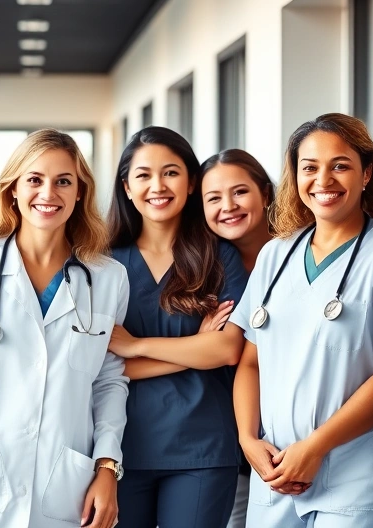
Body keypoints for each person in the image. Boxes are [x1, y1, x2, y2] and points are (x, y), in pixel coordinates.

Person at [0, 129, 128, 528]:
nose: (48, 193)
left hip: (67, 481)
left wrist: (107, 466)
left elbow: (109, 381)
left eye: (63, 181)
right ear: (12, 189)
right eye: (34, 179)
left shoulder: (108, 277)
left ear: (80, 191)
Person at [231, 113, 373, 527]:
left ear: (367, 174)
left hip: (351, 476)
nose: (324, 180)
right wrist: (248, 440)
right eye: (310, 167)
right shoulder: (276, 254)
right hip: (273, 471)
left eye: (340, 165)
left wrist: (317, 446)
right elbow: (251, 362)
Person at [107, 126, 248, 528]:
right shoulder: (101, 262)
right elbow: (99, 364)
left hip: (201, 448)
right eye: (144, 175)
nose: (158, 185)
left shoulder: (219, 256)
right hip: (118, 448)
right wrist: (195, 347)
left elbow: (226, 350)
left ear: (190, 183)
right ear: (127, 187)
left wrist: (135, 346)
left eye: (171, 172)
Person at [199, 148, 275, 528]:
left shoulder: (300, 249)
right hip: (229, 437)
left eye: (240, 192)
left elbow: (227, 348)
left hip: (297, 428)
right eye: (213, 197)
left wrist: (211, 347)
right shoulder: (204, 266)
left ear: (265, 191)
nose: (228, 206)